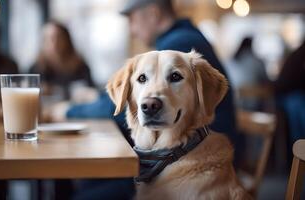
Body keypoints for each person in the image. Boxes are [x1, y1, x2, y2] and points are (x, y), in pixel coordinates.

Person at [62, 0, 241, 199]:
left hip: (190, 156)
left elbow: (111, 106)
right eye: (142, 79)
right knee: (87, 182)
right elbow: (123, 97)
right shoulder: (177, 41)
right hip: (162, 161)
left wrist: (66, 111)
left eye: (132, 20)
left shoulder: (179, 44)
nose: (131, 30)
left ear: (153, 14)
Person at [29, 21, 95, 100]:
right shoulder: (36, 68)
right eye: (48, 38)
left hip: (75, 110)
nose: (54, 43)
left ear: (67, 40)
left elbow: (91, 92)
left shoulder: (81, 67)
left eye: (58, 37)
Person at [275, 39, 305, 145]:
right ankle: (299, 145)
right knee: (297, 102)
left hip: (289, 95)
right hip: (285, 96)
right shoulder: (299, 56)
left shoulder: (297, 53)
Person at [225, 37, 269, 110]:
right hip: (254, 103)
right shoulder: (257, 61)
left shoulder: (230, 61)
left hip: (235, 102)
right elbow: (265, 79)